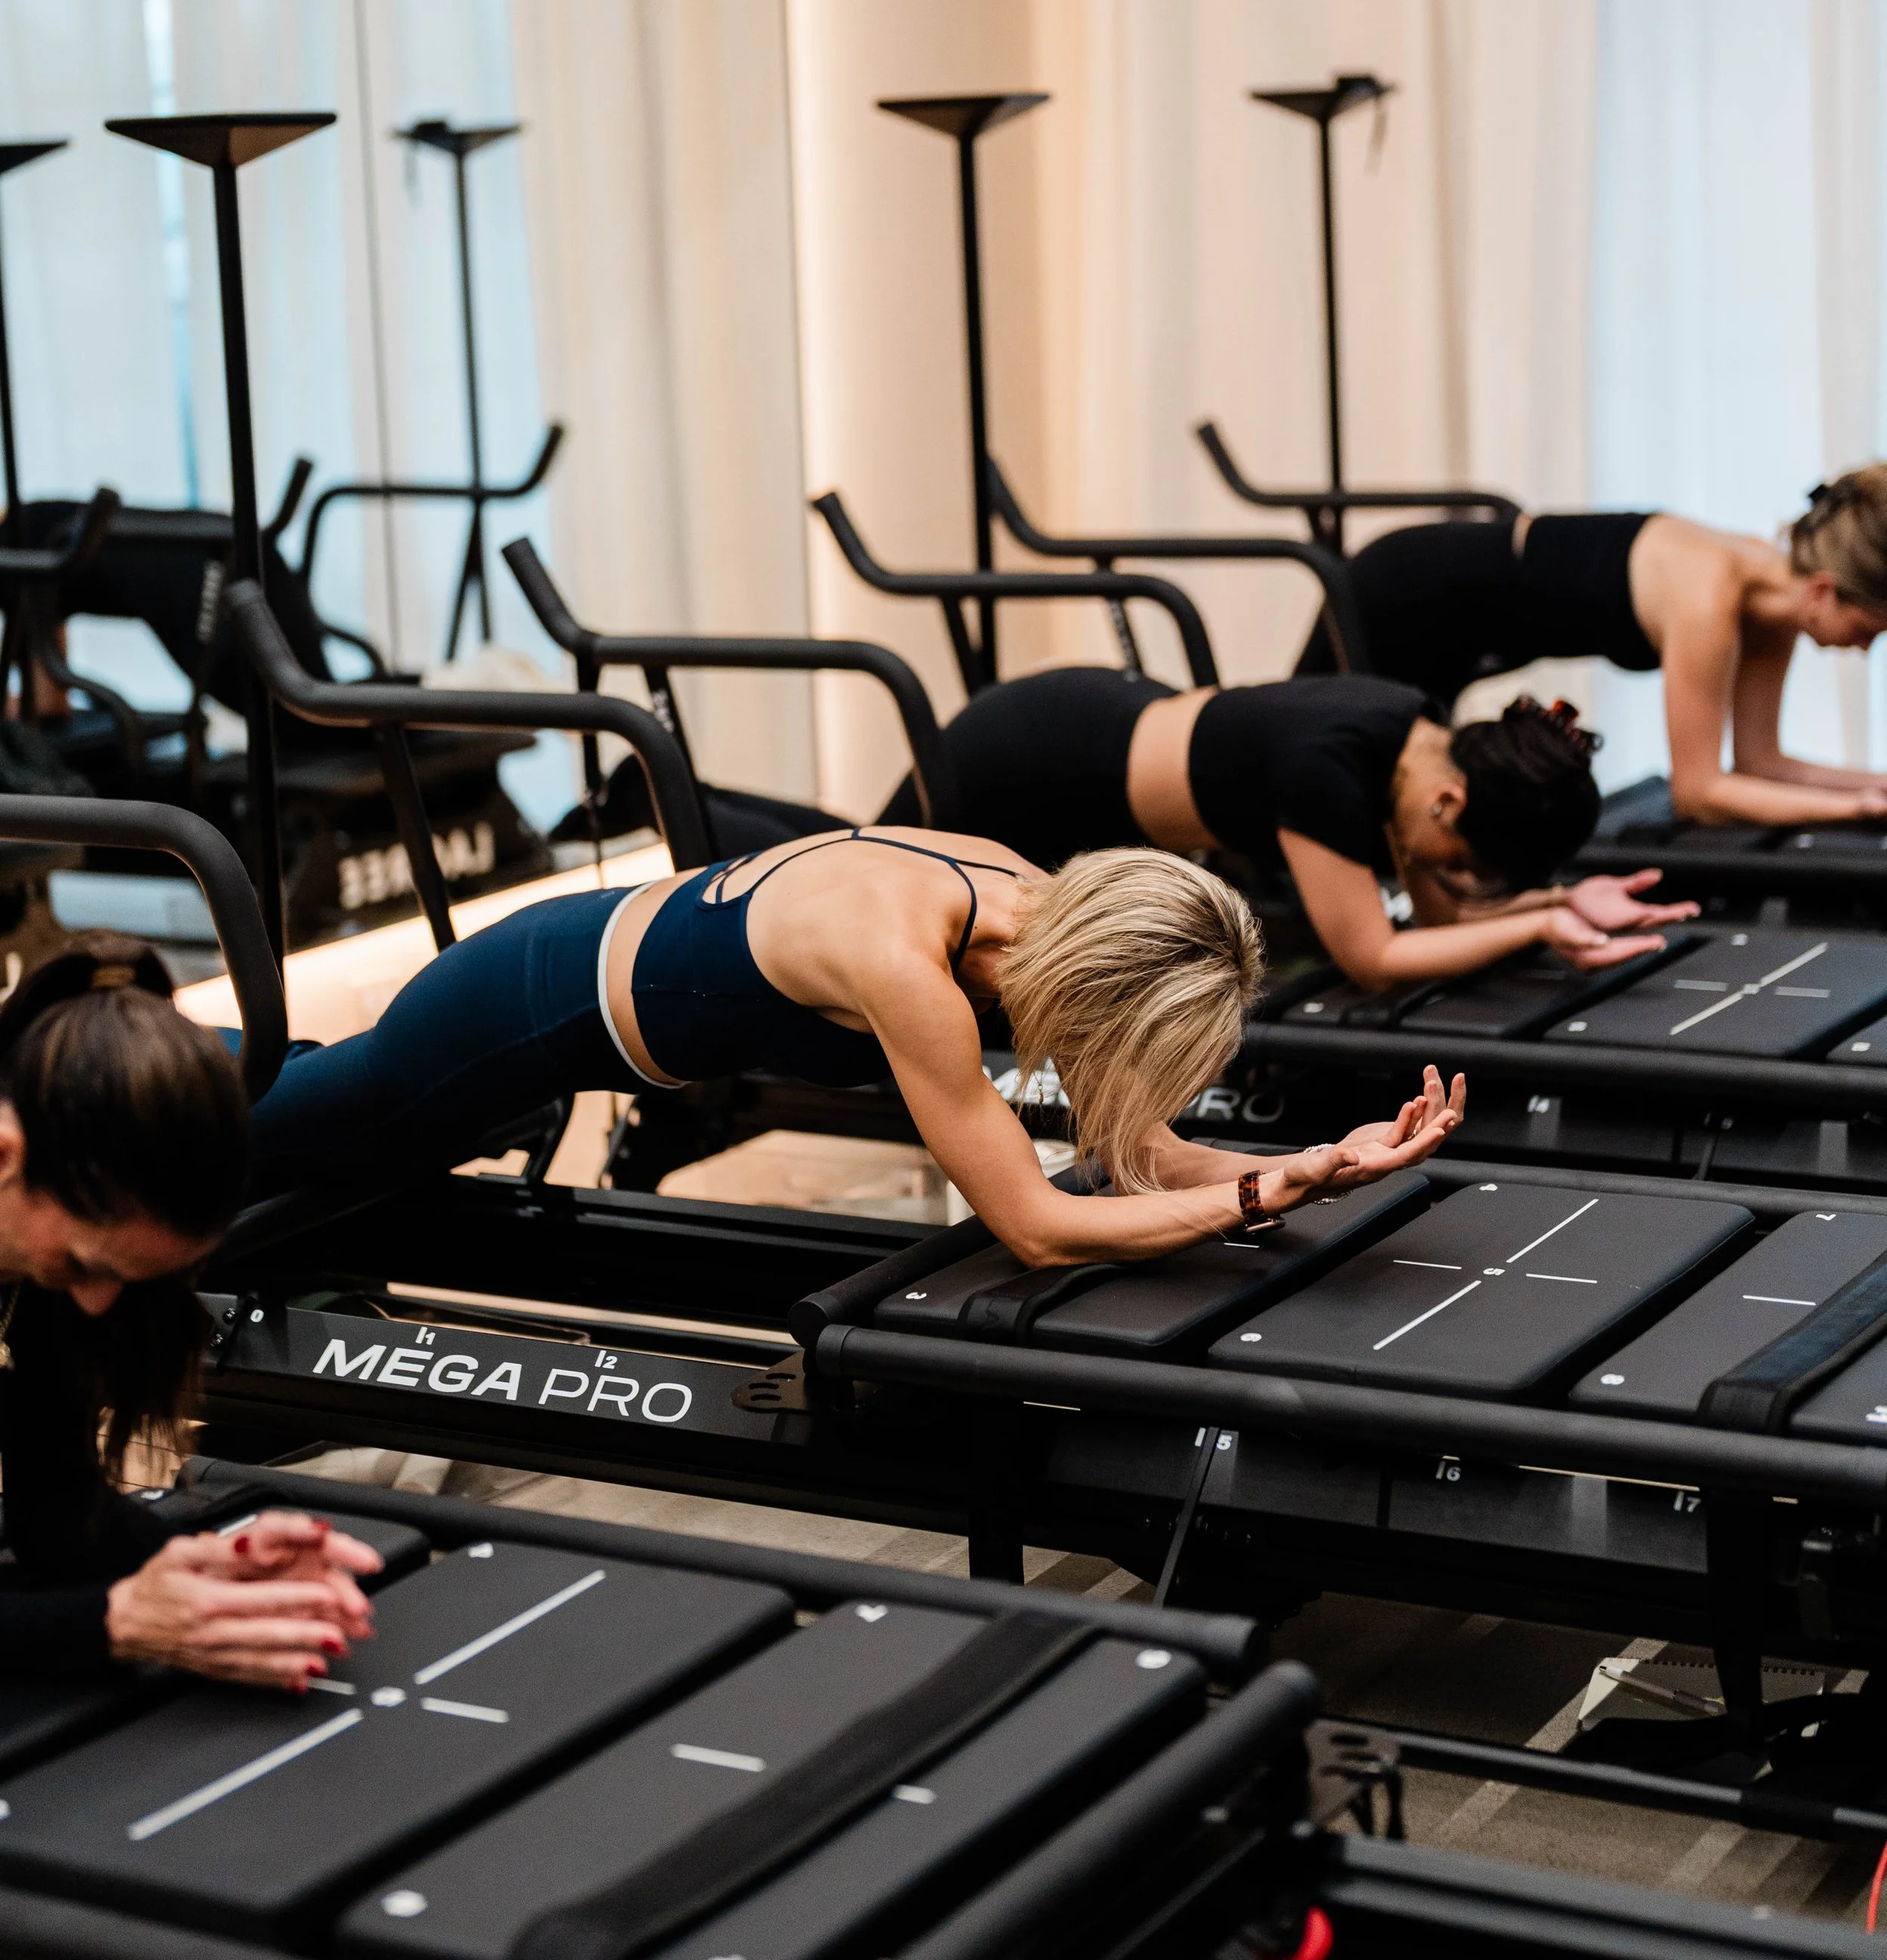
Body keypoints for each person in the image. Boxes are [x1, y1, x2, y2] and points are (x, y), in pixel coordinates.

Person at [247, 833, 1466, 1266]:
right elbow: (1039, 1228)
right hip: (531, 1003)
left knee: (370, 1143)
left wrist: (1317, 1160)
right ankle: (103, 1108)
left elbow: (1131, 1151)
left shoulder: (1037, 913)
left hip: (598, 989)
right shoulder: (911, 967)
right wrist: (1258, 1191)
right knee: (320, 1127)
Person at [0, 940, 381, 1688]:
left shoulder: (47, 1264)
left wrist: (201, 1557)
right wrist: (117, 1620)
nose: (96, 1300)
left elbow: (56, 1515)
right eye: (87, 1263)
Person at [877, 669, 1692, 992]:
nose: (1453, 874)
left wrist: (1556, 905)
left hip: (1088, 733)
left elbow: (1439, 921)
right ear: (1451, 803)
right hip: (1024, 761)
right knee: (862, 874)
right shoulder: (1331, 774)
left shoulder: (1419, 741)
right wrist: (1542, 920)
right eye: (1465, 860)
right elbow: (1374, 958)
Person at [1302, 472, 1887, 827]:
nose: (1865, 648)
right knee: (1319, 768)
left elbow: (1762, 763)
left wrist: (1872, 787)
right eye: (1869, 627)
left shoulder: (1774, 609)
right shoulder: (1708, 598)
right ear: (1823, 591)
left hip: (1469, 631)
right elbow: (1700, 792)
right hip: (1403, 589)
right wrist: (1850, 810)